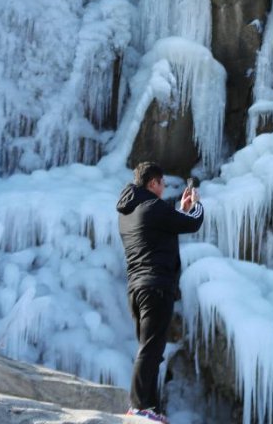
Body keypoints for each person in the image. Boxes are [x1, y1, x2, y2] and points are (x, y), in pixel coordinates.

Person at [117, 161, 204, 423]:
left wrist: (179, 211)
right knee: (151, 349)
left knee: (151, 349)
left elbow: (162, 226)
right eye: (163, 183)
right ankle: (139, 406)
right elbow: (191, 223)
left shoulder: (127, 213)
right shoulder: (152, 207)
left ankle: (150, 409)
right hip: (156, 287)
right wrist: (194, 206)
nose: (164, 188)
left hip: (136, 288)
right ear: (153, 183)